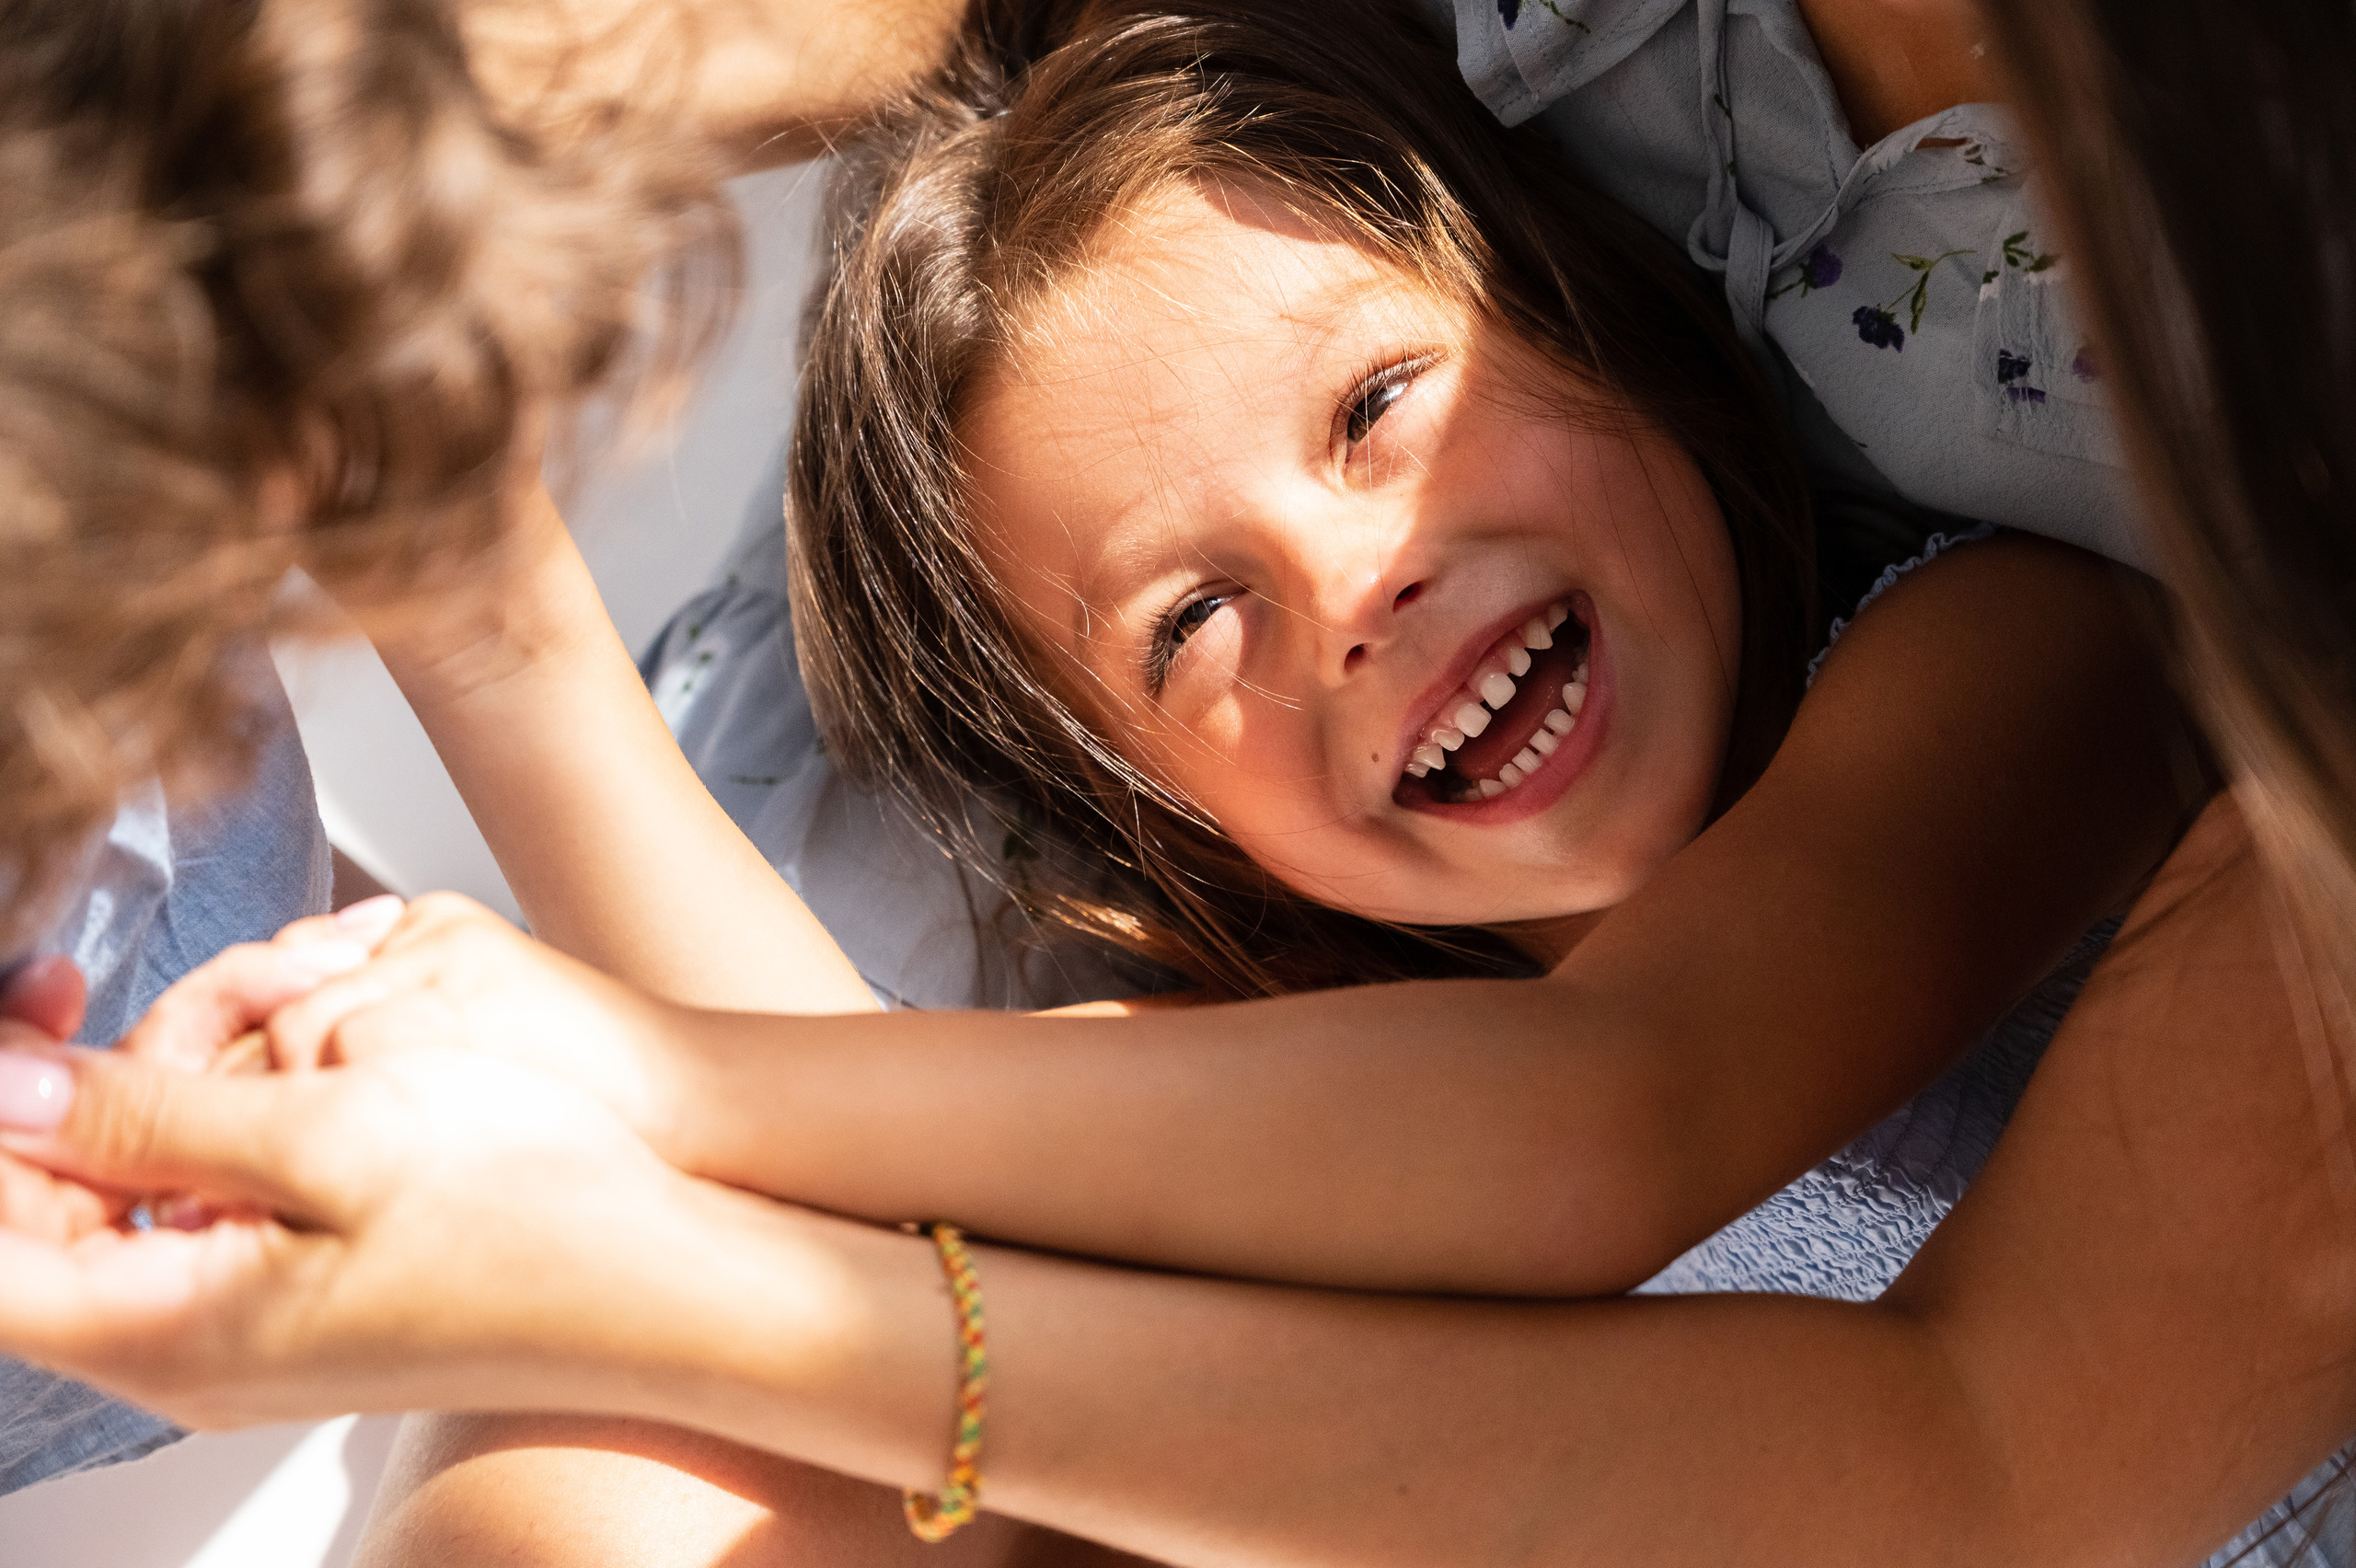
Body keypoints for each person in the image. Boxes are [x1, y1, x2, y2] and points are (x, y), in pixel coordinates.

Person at [2, 6, 2352, 1567]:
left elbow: (1602, 1116)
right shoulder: (1278, 1054)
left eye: (1377, 409)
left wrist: (633, 1103)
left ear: (1597, 324)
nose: (1351, 583)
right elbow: (937, 1242)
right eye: (1187, 627)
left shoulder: (2015, 647)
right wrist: (478, 607)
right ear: (1156, 811)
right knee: (594, 1508)